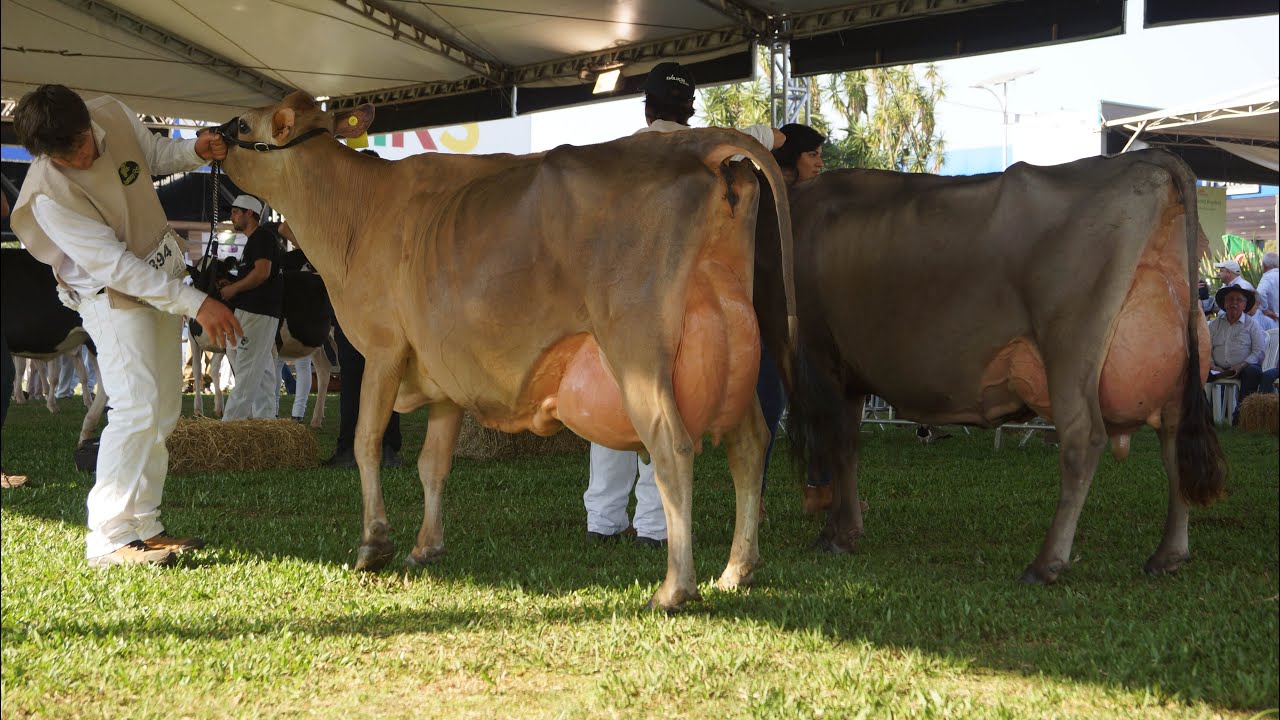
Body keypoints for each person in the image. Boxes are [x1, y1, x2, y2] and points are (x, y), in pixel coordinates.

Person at [8, 84, 242, 564]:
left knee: (162, 410)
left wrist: (193, 150)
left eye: (80, 144)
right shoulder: (48, 196)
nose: (78, 159)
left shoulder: (110, 112)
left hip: (158, 272)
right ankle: (108, 536)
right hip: (108, 295)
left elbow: (152, 154)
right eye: (61, 156)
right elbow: (116, 268)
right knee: (136, 406)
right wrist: (196, 302)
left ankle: (145, 523)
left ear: (85, 123)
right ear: (43, 156)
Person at [583, 61, 784, 546]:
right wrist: (736, 132)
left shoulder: (619, 155)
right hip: (693, 298)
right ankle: (654, 524)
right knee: (671, 403)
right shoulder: (711, 148)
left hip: (625, 297)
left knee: (617, 400)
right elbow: (775, 138)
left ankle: (603, 520)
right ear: (689, 110)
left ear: (647, 107)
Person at [323, 148, 402, 468]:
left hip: (357, 307)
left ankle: (351, 449)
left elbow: (290, 230)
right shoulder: (395, 210)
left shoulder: (348, 212)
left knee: (356, 376)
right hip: (388, 307)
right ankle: (387, 449)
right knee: (387, 376)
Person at [218, 194, 283, 421]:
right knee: (263, 371)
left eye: (236, 211)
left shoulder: (261, 237)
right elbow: (257, 274)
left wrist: (234, 289)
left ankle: (228, 429)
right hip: (255, 313)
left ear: (250, 214)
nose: (232, 215)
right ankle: (266, 424)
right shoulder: (255, 240)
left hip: (257, 314)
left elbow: (262, 272)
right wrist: (235, 284)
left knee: (246, 372)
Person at [1207, 286, 1267, 424]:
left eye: (1239, 300)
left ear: (1244, 305)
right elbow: (1205, 348)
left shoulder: (1252, 325)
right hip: (1217, 369)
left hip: (1243, 368)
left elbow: (1259, 351)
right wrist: (1212, 365)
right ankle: (1206, 417)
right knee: (1194, 372)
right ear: (1224, 303)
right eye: (1230, 299)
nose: (1234, 303)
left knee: (1253, 372)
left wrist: (1241, 365)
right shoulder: (1214, 324)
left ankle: (1240, 417)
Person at [1254, 251, 1278, 332]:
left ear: (1264, 265)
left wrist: (1264, 309)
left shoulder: (1267, 277)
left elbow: (1260, 293)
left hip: (1273, 320)